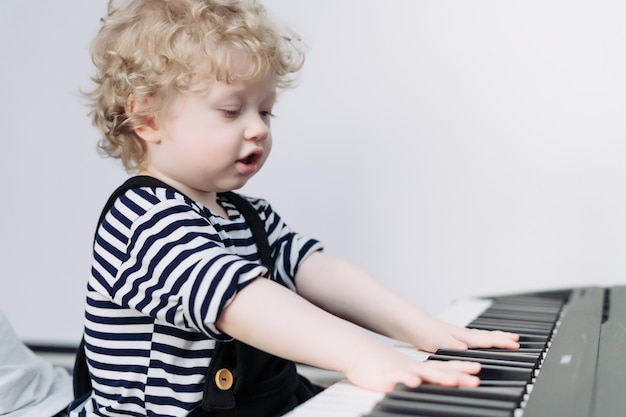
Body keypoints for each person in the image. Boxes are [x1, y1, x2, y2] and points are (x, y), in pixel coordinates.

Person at [69, 0, 520, 415]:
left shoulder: (247, 214)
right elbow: (236, 299)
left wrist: (422, 330)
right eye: (231, 111)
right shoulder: (143, 218)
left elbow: (315, 271)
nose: (257, 130)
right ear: (148, 119)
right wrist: (362, 354)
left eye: (265, 112)